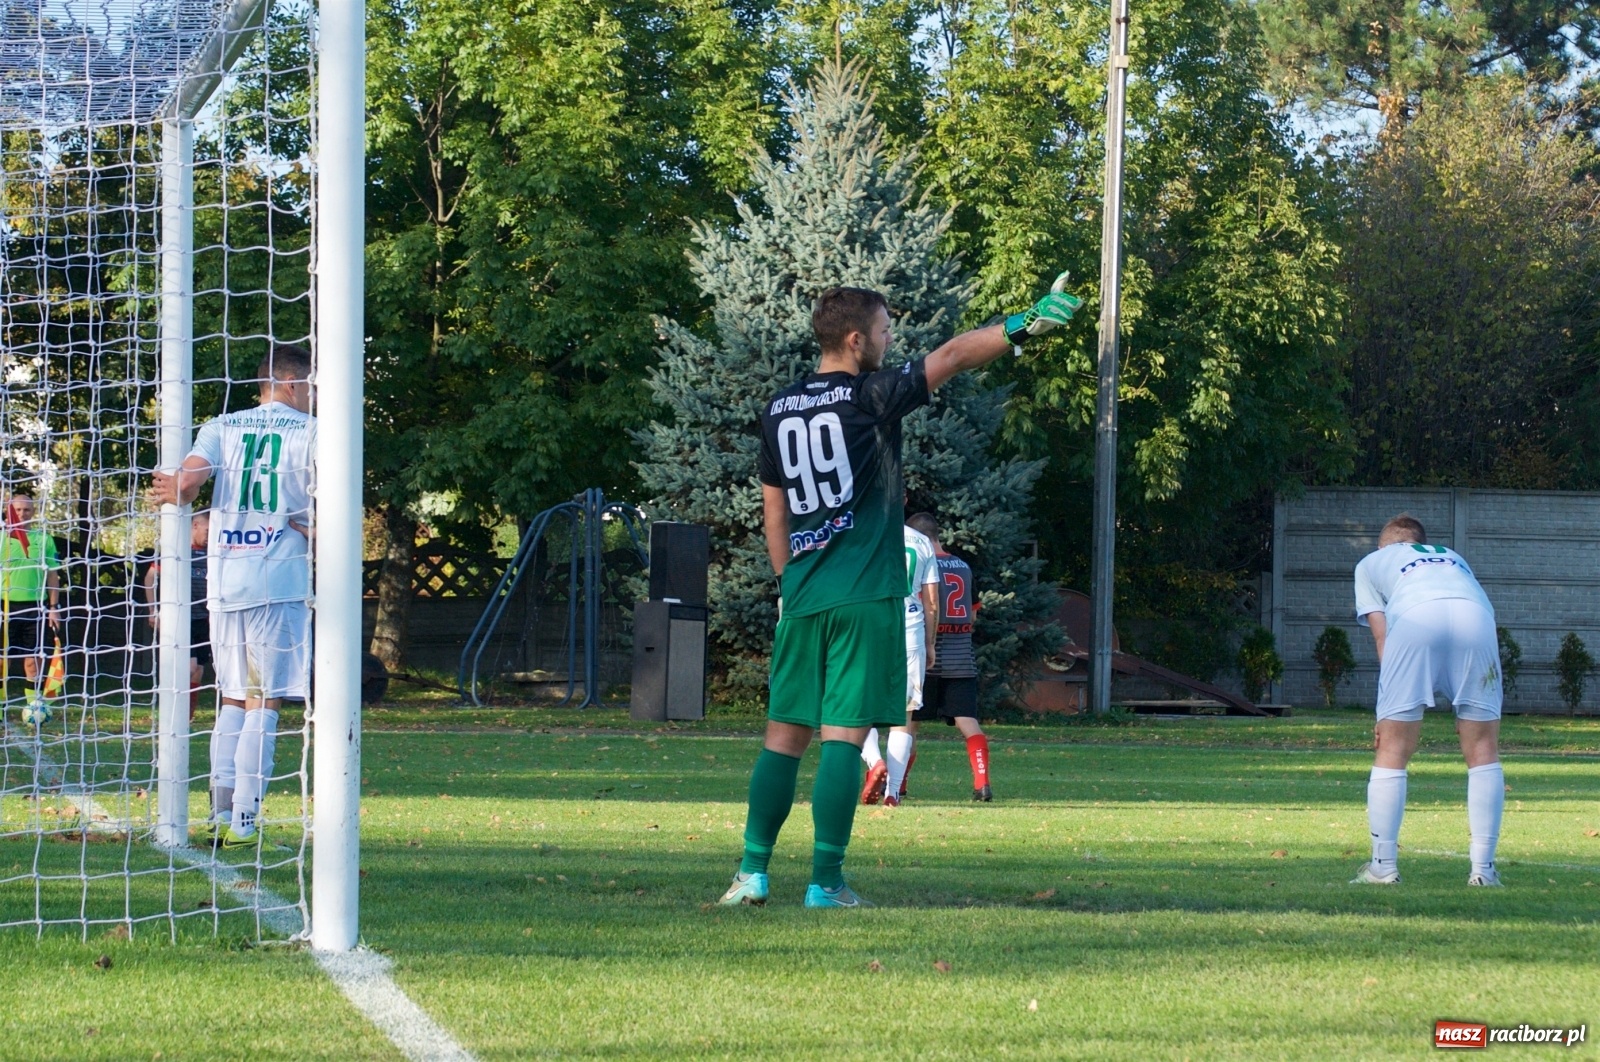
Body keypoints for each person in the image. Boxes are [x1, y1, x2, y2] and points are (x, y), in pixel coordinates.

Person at [718, 275, 1081, 909]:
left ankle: (751, 874)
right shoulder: (872, 396)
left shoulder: (778, 409)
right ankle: (825, 884)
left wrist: (788, 586)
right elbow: (953, 356)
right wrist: (1022, 323)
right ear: (856, 340)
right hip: (865, 597)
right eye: (885, 332)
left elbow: (773, 512)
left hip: (802, 596)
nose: (892, 342)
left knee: (782, 737)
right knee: (843, 738)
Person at [149, 345, 315, 850]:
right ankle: (245, 820)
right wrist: (297, 525)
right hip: (276, 579)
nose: (314, 396)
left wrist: (174, 489)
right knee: (265, 699)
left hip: (224, 579)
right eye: (311, 386)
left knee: (232, 696)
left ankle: (219, 814)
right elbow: (326, 522)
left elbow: (187, 483)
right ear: (290, 383)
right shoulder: (313, 433)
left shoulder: (222, 425)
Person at [1349, 514, 1505, 887]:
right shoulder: (1451, 556)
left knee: (1394, 747)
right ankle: (1482, 871)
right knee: (1483, 747)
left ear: (1383, 545)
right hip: (1476, 617)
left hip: (1416, 618)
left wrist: (1386, 714)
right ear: (1419, 541)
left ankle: (1383, 867)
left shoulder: (1372, 563)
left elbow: (1381, 636)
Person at [906, 511, 992, 801]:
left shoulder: (920, 565)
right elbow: (972, 613)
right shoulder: (963, 567)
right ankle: (982, 783)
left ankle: (898, 786)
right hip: (960, 656)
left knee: (909, 723)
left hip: (926, 654)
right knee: (967, 721)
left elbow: (925, 606)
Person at [859, 520, 938, 807]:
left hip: (872, 626)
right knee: (904, 715)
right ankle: (892, 792)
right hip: (911, 627)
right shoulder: (922, 541)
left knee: (860, 705)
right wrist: (930, 642)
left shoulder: (865, 531)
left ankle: (874, 760)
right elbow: (931, 601)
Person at [144, 511, 212, 723]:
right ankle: (175, 712)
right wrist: (153, 610)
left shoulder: (213, 552)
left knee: (198, 669)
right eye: (208, 530)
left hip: (204, 617)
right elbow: (150, 576)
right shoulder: (178, 549)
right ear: (195, 526)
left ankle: (187, 717)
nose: (210, 535)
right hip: (182, 617)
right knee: (189, 667)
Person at [2, 493, 62, 711]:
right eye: (17, 510)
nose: (22, 514)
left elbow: (53, 576)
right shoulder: (1, 539)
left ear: (33, 512)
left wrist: (54, 609)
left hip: (36, 606)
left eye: (26, 510)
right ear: (9, 513)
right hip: (5, 606)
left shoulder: (44, 539)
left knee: (32, 660)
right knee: (2, 661)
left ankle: (33, 708)